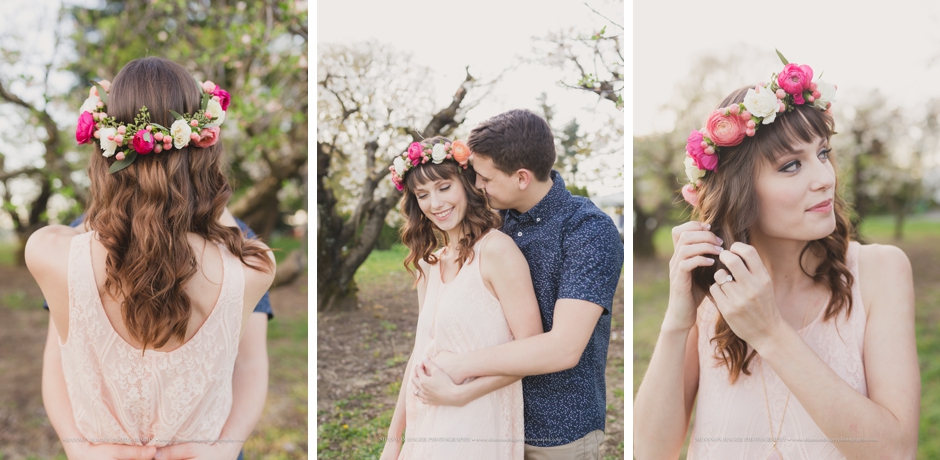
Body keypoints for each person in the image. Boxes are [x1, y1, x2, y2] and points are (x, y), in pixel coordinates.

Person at [633, 54, 920, 459]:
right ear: (738, 191)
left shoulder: (880, 271)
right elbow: (650, 451)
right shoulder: (711, 292)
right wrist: (677, 321)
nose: (825, 179)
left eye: (823, 153)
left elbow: (896, 452)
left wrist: (770, 333)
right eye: (791, 166)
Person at [26, 57, 276, 460]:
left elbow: (249, 364)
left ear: (104, 148)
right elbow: (59, 352)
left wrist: (80, 450)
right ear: (206, 149)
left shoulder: (51, 252)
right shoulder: (253, 263)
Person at [411, 109, 624, 459]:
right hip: (488, 419)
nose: (477, 185)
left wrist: (458, 368)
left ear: (522, 177)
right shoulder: (494, 222)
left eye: (485, 178)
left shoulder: (588, 231)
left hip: (556, 430)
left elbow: (564, 348)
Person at [379, 136, 544, 460]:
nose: (435, 203)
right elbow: (419, 354)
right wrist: (394, 440)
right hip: (428, 418)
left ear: (467, 184)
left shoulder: (496, 250)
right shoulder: (429, 265)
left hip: (478, 419)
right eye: (422, 195)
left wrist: (461, 394)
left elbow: (531, 350)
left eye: (444, 187)